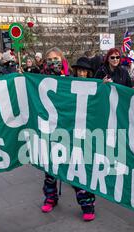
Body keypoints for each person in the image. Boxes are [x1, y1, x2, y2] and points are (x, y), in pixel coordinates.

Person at [37, 47, 99, 220]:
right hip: (50, 131)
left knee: (76, 168)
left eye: (56, 58)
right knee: (50, 169)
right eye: (49, 59)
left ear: (62, 59)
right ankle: (51, 197)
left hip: (72, 132)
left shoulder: (72, 80)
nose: (53, 62)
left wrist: (104, 86)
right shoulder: (39, 79)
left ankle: (87, 204)